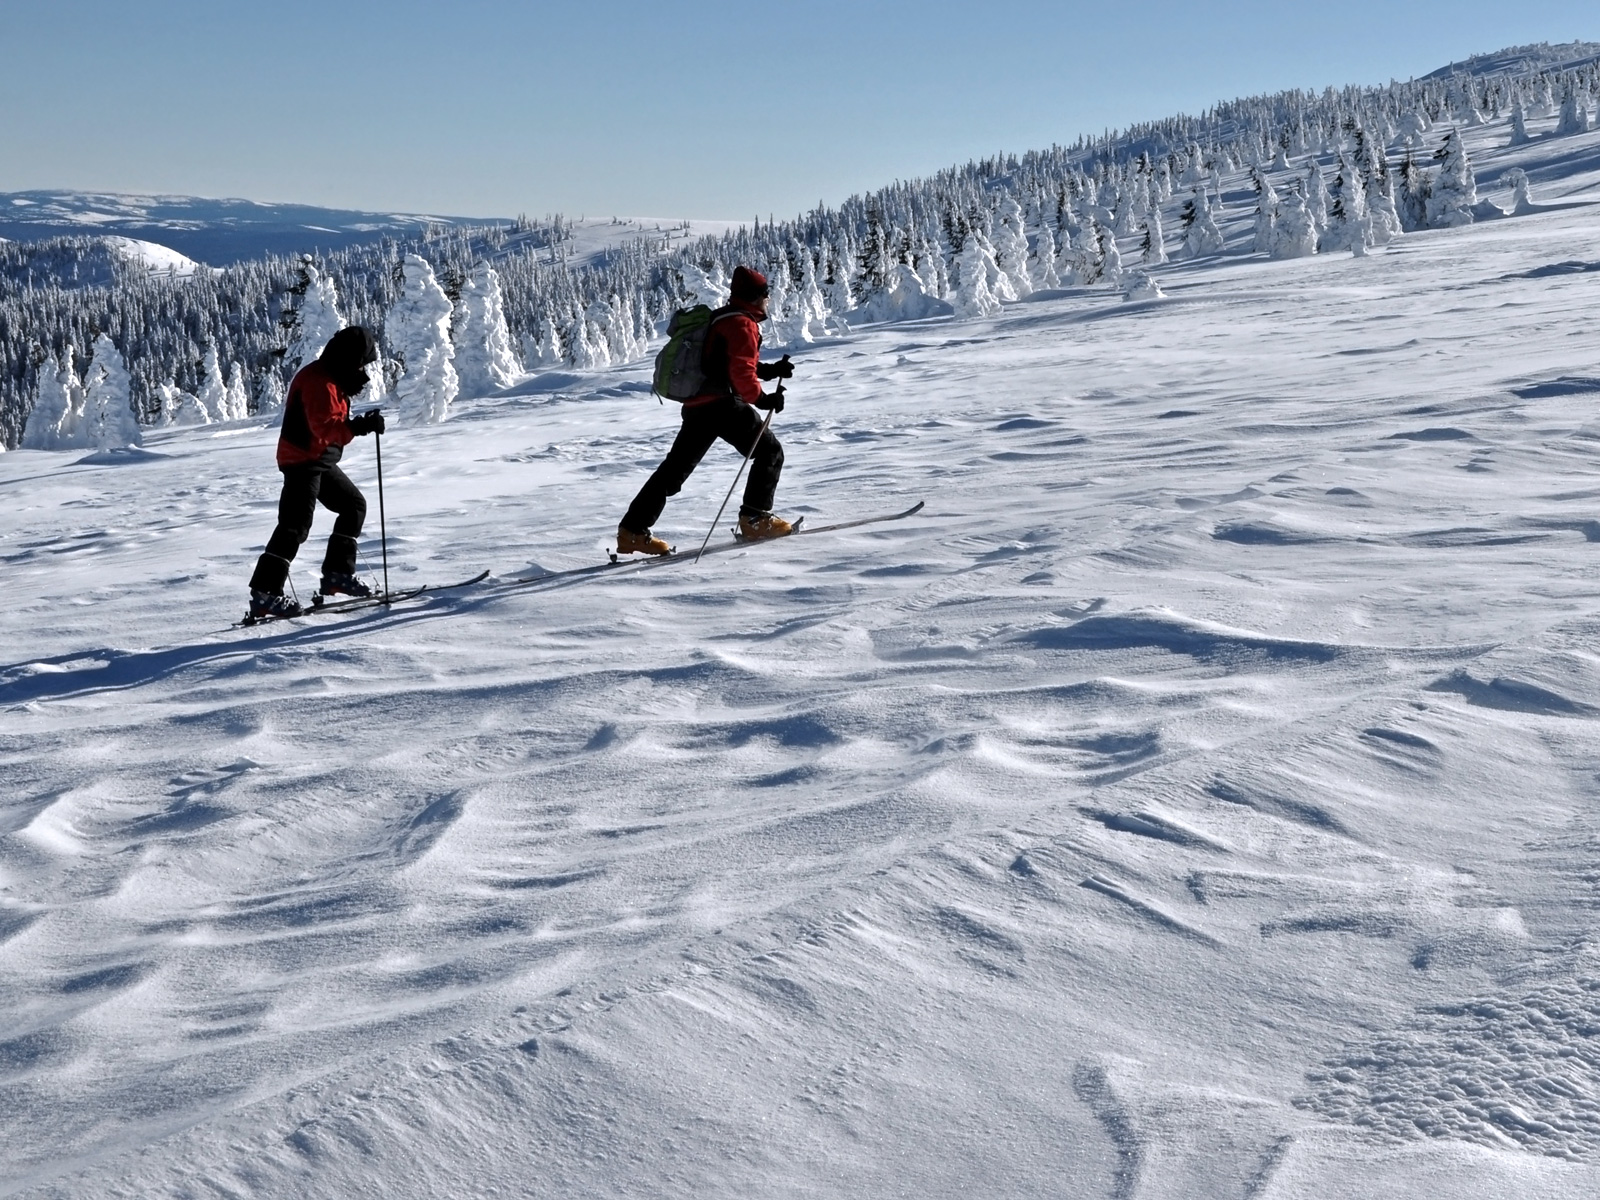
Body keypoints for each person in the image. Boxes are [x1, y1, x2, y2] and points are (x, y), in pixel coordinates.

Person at [617, 265, 796, 555]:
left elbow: (726, 365)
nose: (769, 300)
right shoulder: (743, 324)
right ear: (756, 296)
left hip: (698, 406)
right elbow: (739, 372)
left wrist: (771, 370)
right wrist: (763, 399)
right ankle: (755, 519)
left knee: (673, 471)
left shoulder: (723, 318)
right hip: (723, 406)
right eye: (766, 294)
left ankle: (632, 531)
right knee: (769, 451)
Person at [246, 327, 386, 619]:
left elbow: (331, 423)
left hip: (318, 459)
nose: (362, 369)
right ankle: (265, 594)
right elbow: (324, 428)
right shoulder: (319, 382)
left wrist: (358, 423)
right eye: (361, 362)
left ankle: (337, 577)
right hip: (301, 461)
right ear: (348, 358)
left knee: (353, 506)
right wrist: (358, 427)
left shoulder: (331, 376)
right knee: (294, 526)